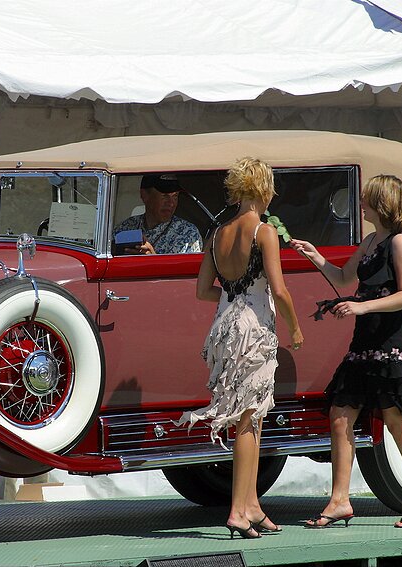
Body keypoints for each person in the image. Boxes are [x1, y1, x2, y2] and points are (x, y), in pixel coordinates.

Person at [290, 174, 402, 529]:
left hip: (388, 342)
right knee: (340, 415)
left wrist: (361, 307)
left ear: (382, 204)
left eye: (366, 199)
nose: (361, 204)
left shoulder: (400, 242)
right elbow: (344, 278)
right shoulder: (371, 241)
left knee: (395, 419)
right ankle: (339, 501)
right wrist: (316, 256)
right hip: (364, 342)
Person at [174, 157, 303, 539]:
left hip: (224, 325)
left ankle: (252, 505)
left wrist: (233, 300)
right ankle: (238, 510)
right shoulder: (263, 232)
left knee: (250, 416)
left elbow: (202, 290)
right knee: (249, 419)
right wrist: (295, 328)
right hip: (253, 329)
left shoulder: (217, 234)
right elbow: (279, 290)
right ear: (264, 189)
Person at [114, 174, 202, 255]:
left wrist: (152, 260)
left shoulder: (188, 234)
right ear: (144, 195)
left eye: (175, 196)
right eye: (165, 195)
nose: (171, 203)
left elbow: (191, 268)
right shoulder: (126, 227)